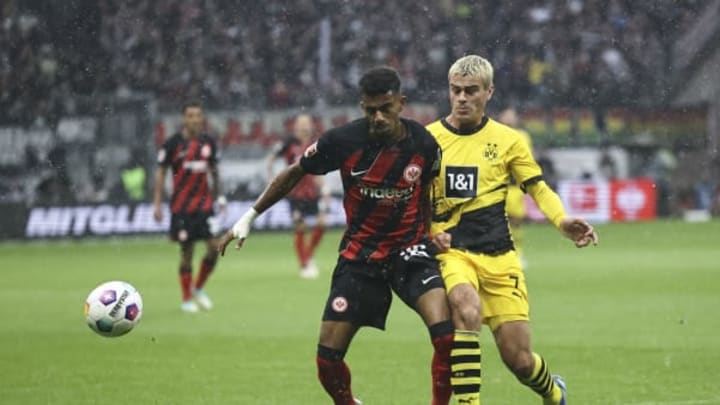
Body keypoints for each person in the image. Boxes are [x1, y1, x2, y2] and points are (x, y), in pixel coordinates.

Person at [219, 67, 457, 405]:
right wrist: (250, 216)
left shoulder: (424, 144)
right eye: (369, 109)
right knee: (327, 362)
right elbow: (294, 173)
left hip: (409, 252)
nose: (377, 117)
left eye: (385, 108)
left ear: (401, 104)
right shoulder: (342, 141)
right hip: (360, 259)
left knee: (447, 338)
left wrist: (432, 234)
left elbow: (429, 190)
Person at [427, 55, 599, 405]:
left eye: (471, 91)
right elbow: (411, 197)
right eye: (455, 90)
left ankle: (553, 391)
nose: (461, 98)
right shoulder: (427, 140)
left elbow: (537, 187)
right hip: (453, 252)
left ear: (489, 92)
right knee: (465, 306)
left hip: (499, 257)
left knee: (519, 360)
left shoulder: (508, 140)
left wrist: (562, 220)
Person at [153, 101, 226, 313]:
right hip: (181, 208)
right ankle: (186, 299)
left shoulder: (208, 142)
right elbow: (161, 173)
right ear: (184, 118)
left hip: (205, 205)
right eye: (190, 115)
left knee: (214, 248)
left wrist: (220, 197)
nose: (194, 119)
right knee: (187, 252)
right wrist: (157, 203)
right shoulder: (172, 144)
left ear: (202, 118)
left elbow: (214, 171)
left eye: (198, 115)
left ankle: (198, 288)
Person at [265, 113, 329, 279]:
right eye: (301, 124)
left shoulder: (316, 145)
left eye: (306, 123)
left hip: (312, 193)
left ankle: (309, 256)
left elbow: (319, 169)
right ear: (295, 126)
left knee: (322, 223)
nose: (304, 127)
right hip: (294, 192)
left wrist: (324, 188)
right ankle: (304, 264)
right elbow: (270, 159)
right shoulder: (288, 143)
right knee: (300, 226)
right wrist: (272, 179)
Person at [497, 106, 533, 264]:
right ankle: (503, 252)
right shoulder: (495, 135)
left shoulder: (523, 136)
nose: (509, 118)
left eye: (511, 115)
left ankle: (518, 253)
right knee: (500, 221)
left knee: (516, 221)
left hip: (514, 186)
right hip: (499, 185)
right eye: (506, 115)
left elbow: (527, 159)